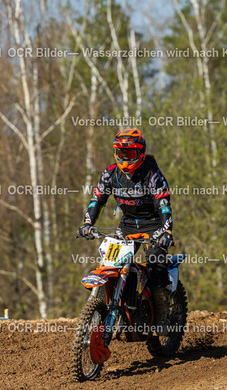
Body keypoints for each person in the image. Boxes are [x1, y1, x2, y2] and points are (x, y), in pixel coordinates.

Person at [78, 128, 173, 333]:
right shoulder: (111, 173)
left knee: (155, 263)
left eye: (130, 154)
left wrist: (167, 231)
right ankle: (115, 309)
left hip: (153, 224)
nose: (125, 159)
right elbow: (97, 199)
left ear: (140, 153)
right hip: (128, 224)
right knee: (111, 262)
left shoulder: (152, 174)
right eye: (121, 153)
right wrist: (87, 223)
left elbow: (163, 204)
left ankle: (163, 317)